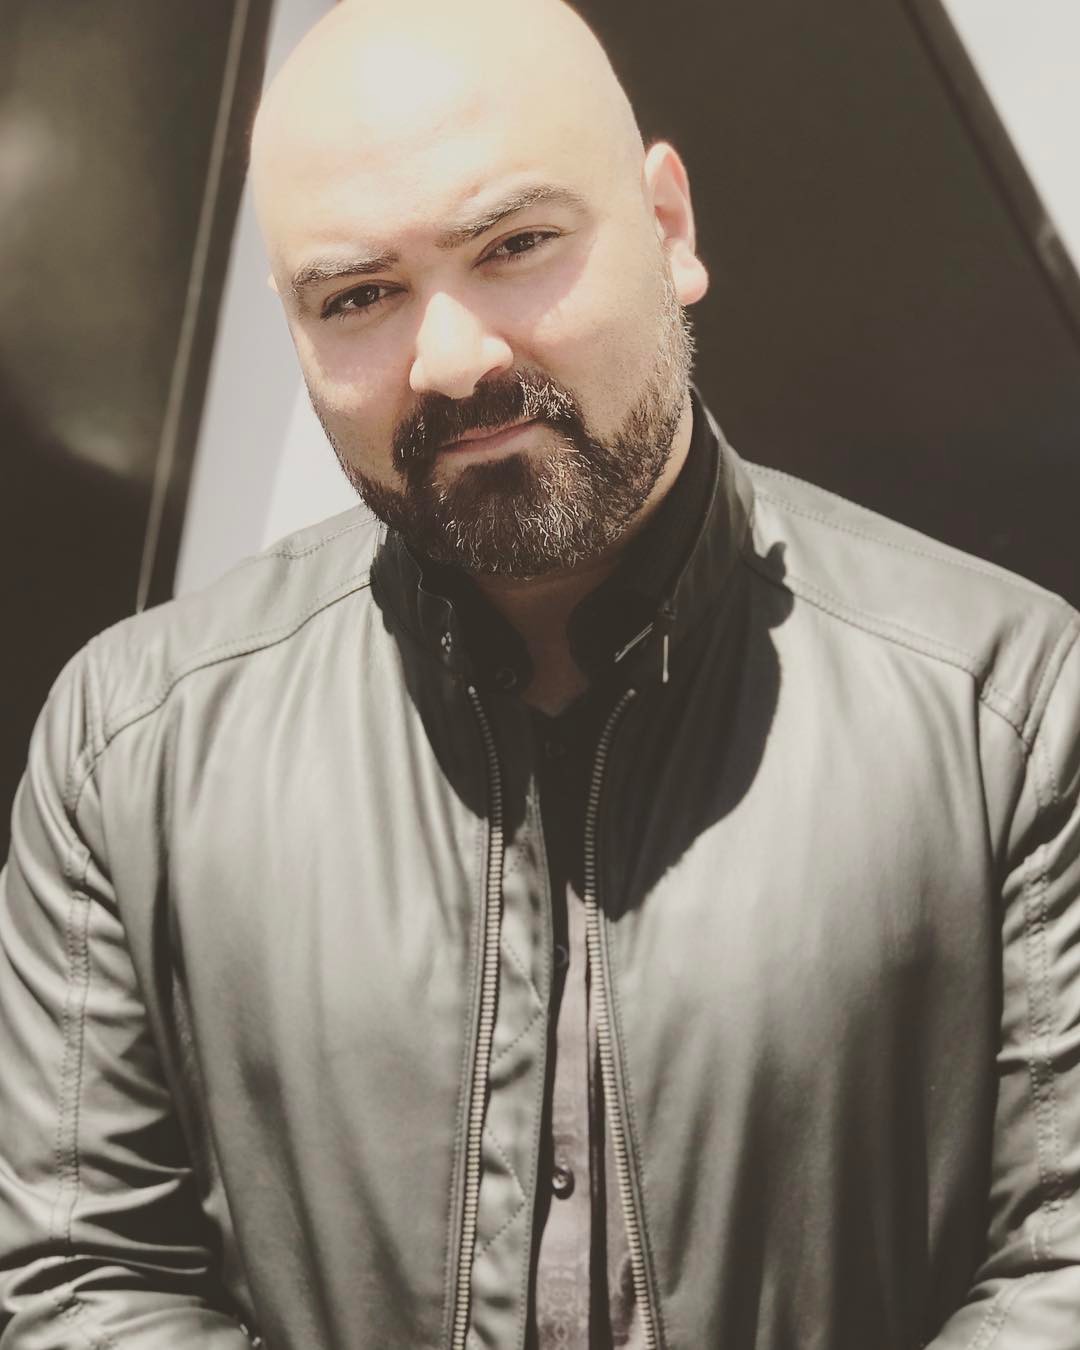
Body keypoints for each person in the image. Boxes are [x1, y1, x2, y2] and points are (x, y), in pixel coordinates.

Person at [2, 0, 1079, 1345]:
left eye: (514, 246)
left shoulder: (1008, 708)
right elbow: (82, 1280)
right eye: (359, 296)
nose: (454, 357)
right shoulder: (131, 748)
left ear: (669, 226)